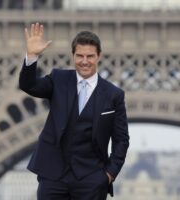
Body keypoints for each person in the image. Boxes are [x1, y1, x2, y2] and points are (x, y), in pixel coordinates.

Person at [19, 22, 129, 200]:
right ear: (73, 56)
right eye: (80, 56)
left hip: (91, 179)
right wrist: (31, 57)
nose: (84, 61)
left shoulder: (113, 95)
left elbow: (121, 139)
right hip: (53, 176)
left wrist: (108, 175)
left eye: (90, 56)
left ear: (99, 56)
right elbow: (28, 85)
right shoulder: (58, 79)